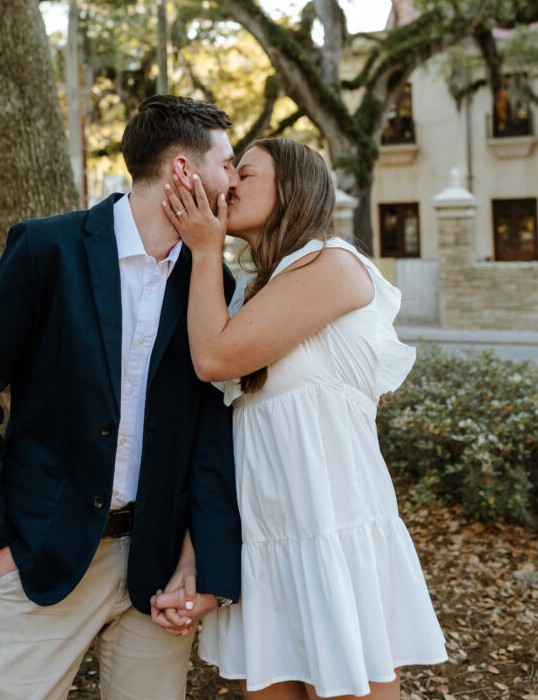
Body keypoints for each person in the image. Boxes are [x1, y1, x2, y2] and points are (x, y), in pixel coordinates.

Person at [0, 95, 242, 700]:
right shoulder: (45, 251)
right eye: (227, 163)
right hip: (39, 554)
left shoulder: (212, 280)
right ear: (183, 169)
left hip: (155, 568)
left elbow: (209, 435)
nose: (233, 181)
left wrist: (199, 563)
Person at [153, 137, 447, 700]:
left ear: (292, 188)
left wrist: (206, 248)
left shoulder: (331, 264)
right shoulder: (243, 298)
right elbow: (225, 444)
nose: (229, 184)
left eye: (247, 173)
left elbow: (213, 358)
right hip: (265, 546)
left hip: (333, 535)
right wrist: (196, 557)